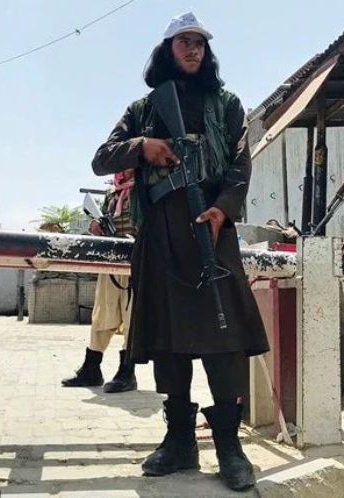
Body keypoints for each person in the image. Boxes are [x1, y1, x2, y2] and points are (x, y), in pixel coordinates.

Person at [91, 12, 269, 491]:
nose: (193, 49)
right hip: (161, 235)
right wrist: (143, 146)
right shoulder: (144, 109)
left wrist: (223, 210)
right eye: (183, 42)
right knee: (169, 341)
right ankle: (179, 441)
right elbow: (102, 157)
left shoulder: (227, 104)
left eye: (199, 43)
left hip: (211, 229)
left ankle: (229, 445)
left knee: (224, 341)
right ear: (167, 50)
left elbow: (240, 164)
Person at [62, 171, 137, 393]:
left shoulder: (145, 188)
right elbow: (106, 218)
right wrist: (98, 225)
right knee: (102, 313)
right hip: (110, 260)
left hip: (137, 260)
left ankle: (127, 372)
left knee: (132, 316)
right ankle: (91, 368)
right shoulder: (112, 193)